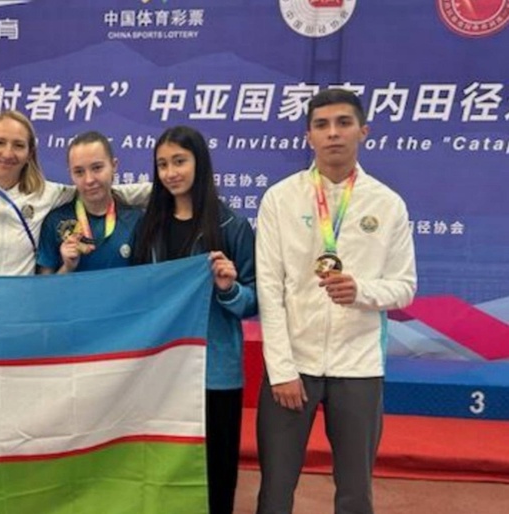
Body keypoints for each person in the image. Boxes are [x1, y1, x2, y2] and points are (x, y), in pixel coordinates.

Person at [254, 88, 416, 514]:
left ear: (363, 131)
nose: (333, 133)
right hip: (294, 367)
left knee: (355, 493)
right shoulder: (280, 199)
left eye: (343, 123)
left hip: (359, 366)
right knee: (275, 491)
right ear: (308, 135)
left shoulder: (388, 204)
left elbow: (404, 286)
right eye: (322, 125)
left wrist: (362, 291)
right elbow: (270, 289)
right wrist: (282, 370)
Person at [130, 125, 257, 514]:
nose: (171, 173)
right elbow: (137, 292)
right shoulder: (148, 225)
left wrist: (229, 289)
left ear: (199, 163)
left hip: (213, 372)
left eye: (179, 161)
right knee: (162, 470)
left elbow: (254, 301)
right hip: (161, 369)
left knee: (216, 471)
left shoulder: (231, 226)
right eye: (162, 164)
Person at [0, 110, 149, 276]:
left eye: (18, 145)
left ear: (30, 153)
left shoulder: (47, 194)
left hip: (23, 312)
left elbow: (98, 191)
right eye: (0, 142)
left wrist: (164, 191)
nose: (7, 153)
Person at [36, 130, 142, 273]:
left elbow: (149, 279)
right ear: (70, 174)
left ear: (114, 166)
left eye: (97, 168)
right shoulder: (55, 221)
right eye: (79, 172)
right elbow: (44, 285)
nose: (89, 180)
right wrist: (67, 267)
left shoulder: (135, 220)